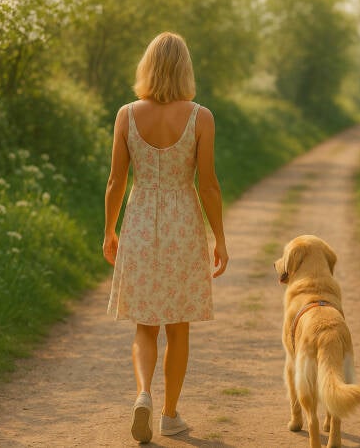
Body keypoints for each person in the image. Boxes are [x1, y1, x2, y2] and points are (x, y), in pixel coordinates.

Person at [103, 32, 228, 443]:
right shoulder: (200, 117)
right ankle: (170, 415)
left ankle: (142, 393)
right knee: (178, 327)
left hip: (139, 220)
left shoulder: (126, 115)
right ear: (184, 69)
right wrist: (220, 239)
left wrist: (109, 229)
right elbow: (208, 184)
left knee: (145, 325)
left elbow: (116, 180)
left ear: (147, 67)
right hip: (183, 224)